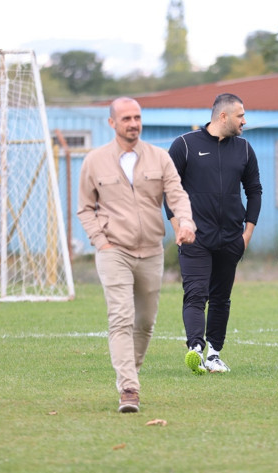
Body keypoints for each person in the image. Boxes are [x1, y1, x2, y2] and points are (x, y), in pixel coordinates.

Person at [78, 97, 196, 413]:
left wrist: (186, 221)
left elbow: (177, 194)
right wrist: (100, 241)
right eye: (127, 118)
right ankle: (129, 388)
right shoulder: (94, 161)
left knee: (144, 322)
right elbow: (85, 208)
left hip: (151, 252)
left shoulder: (160, 158)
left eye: (137, 117)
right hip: (113, 250)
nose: (133, 123)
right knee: (121, 317)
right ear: (112, 123)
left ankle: (131, 371)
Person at [166, 93, 262, 375]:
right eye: (240, 115)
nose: (244, 120)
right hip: (195, 237)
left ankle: (214, 355)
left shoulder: (244, 149)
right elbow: (169, 189)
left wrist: (247, 234)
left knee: (221, 298)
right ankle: (195, 348)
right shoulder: (184, 145)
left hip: (231, 239)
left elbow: (254, 191)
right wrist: (178, 226)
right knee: (195, 294)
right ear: (223, 117)